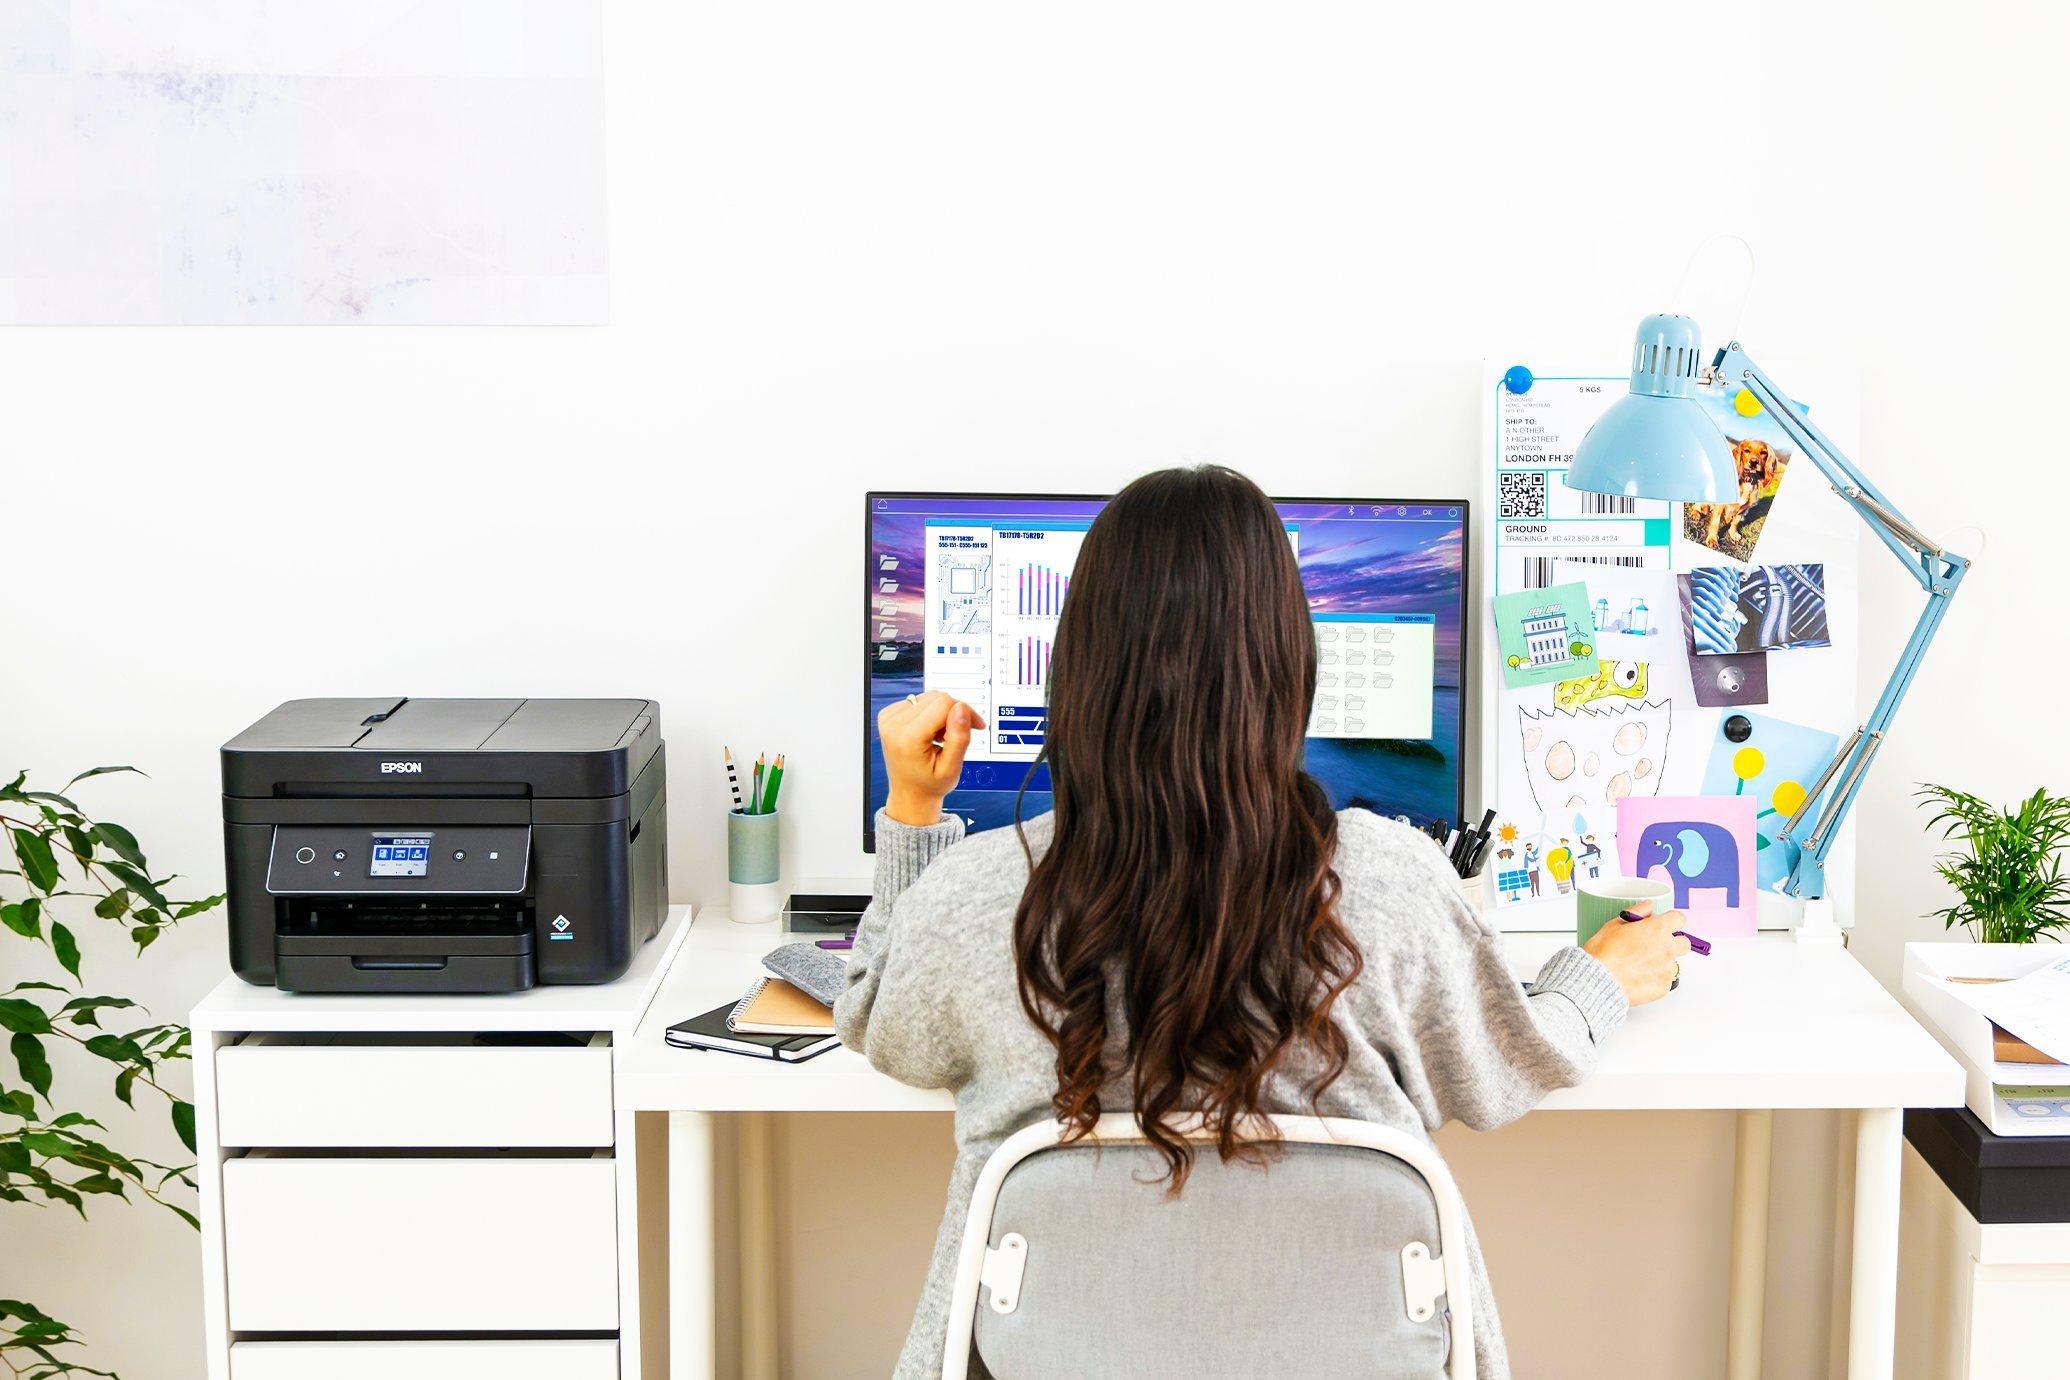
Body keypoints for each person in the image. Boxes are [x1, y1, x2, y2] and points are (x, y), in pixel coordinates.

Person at [836, 465, 1687, 1379]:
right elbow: (1503, 1068)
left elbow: (878, 1021)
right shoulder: (1391, 884)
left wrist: (913, 815)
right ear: (1290, 666)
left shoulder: (979, 898)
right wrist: (1599, 977)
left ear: (1077, 669)